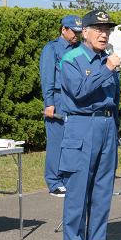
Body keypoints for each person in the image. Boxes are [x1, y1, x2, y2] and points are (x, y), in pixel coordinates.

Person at [58, 10, 121, 240]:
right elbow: (79, 91)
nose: (103, 33)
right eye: (97, 28)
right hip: (82, 126)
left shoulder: (109, 59)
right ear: (84, 32)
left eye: (106, 29)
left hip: (107, 126)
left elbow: (114, 99)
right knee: (77, 190)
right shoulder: (71, 58)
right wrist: (107, 68)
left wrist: (114, 129)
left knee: (103, 190)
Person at [40, 15, 82, 197]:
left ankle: (67, 179)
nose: (77, 35)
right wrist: (49, 103)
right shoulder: (52, 49)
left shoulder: (80, 49)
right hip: (57, 100)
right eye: (74, 31)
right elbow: (48, 77)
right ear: (63, 29)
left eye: (79, 32)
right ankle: (54, 181)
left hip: (74, 100)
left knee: (72, 142)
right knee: (56, 142)